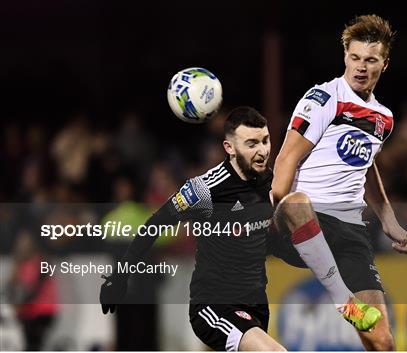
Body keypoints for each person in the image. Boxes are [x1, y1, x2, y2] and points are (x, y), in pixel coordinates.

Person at [271, 15, 407, 351]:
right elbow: (286, 158)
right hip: (301, 220)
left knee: (382, 341)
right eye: (354, 57)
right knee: (295, 200)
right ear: (344, 56)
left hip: (348, 232)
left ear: (385, 63)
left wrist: (389, 221)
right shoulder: (325, 98)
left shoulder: (384, 118)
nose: (361, 67)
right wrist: (272, 211)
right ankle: (343, 301)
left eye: (370, 60)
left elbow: (367, 166)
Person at [100, 107, 288, 351]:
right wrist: (121, 275)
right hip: (214, 305)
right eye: (251, 143)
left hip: (255, 304)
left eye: (265, 141)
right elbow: (156, 223)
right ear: (229, 147)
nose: (262, 150)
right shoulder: (203, 190)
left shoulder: (269, 183)